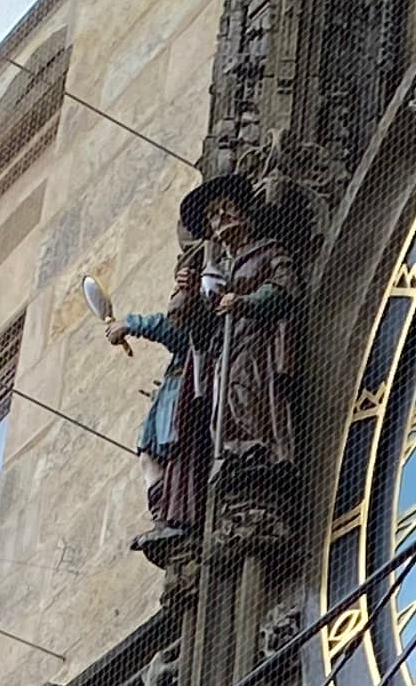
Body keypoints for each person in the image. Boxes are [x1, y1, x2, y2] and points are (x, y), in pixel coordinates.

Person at [106, 175, 304, 548]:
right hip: (221, 352)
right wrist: (186, 292)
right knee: (219, 408)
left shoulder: (268, 249)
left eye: (226, 207)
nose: (221, 216)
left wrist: (246, 302)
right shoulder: (214, 272)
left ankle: (252, 452)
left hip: (254, 343)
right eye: (213, 215)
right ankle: (228, 460)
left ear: (243, 211)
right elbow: (188, 328)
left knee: (243, 396)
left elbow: (284, 286)